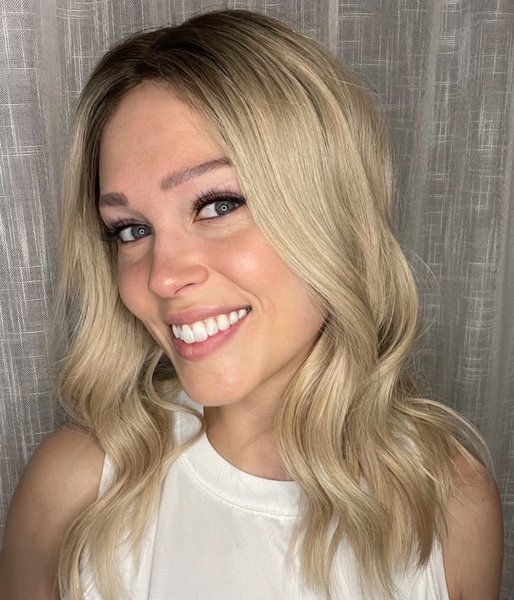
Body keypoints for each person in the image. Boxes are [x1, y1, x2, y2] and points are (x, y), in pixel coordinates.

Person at [0, 9, 503, 600]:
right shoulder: (73, 489)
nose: (163, 276)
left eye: (218, 205)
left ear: (331, 212)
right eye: (131, 229)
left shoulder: (448, 503)